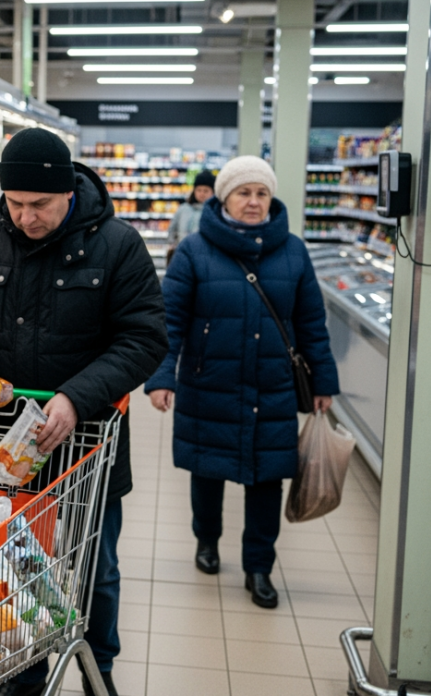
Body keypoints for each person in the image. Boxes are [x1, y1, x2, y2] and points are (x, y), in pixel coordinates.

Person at [0, 128, 168, 696]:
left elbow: (145, 338)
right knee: (10, 563)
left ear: (68, 192)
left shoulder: (118, 245)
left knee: (95, 568)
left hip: (88, 446)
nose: (26, 217)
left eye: (39, 204)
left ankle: (97, 669)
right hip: (4, 450)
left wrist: (75, 397)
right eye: (15, 203)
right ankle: (23, 669)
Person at [144, 155, 339, 609]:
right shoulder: (194, 250)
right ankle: (207, 540)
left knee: (267, 480)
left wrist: (323, 381)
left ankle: (259, 567)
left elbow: (312, 323)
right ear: (224, 198)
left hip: (273, 386)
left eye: (261, 193)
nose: (253, 202)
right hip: (209, 382)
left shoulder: (293, 251)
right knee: (207, 472)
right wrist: (161, 376)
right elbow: (170, 321)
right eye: (243, 193)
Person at [166, 170, 215, 247]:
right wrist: (174, 246)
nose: (202, 194)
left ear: (213, 192)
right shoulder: (183, 209)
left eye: (206, 191)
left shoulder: (214, 212)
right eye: (199, 190)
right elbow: (172, 230)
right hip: (182, 250)